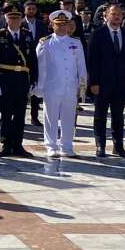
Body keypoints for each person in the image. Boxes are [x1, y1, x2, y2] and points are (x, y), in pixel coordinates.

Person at [34, 10, 87, 158]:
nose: (62, 28)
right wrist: (40, 87)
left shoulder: (75, 42)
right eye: (59, 25)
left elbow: (81, 66)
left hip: (71, 86)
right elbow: (40, 66)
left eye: (65, 25)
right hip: (51, 86)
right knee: (50, 117)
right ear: (52, 25)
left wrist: (82, 88)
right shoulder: (45, 42)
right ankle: (51, 146)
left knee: (69, 117)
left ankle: (67, 146)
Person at [87, 4, 125, 158]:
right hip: (102, 83)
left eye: (119, 15)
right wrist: (93, 82)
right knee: (100, 115)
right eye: (113, 14)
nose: (116, 17)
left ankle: (118, 146)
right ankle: (100, 145)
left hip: (121, 83)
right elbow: (92, 60)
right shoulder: (98, 34)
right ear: (106, 15)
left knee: (118, 116)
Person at [0, 5, 35, 158]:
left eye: (17, 18)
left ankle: (18, 145)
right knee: (6, 114)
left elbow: (32, 60)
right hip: (5, 80)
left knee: (20, 115)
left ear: (21, 19)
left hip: (22, 80)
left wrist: (33, 81)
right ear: (6, 19)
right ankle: (6, 145)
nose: (14, 21)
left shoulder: (27, 35)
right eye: (11, 18)